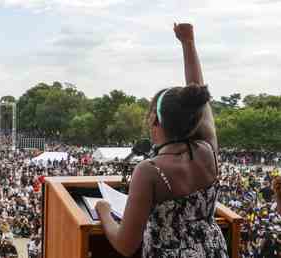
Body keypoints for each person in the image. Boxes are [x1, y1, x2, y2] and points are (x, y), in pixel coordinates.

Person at [96, 23, 228, 257]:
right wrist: (188, 43)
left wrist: (104, 212)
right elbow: (198, 97)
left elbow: (126, 245)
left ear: (155, 120)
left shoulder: (150, 170)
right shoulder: (207, 149)